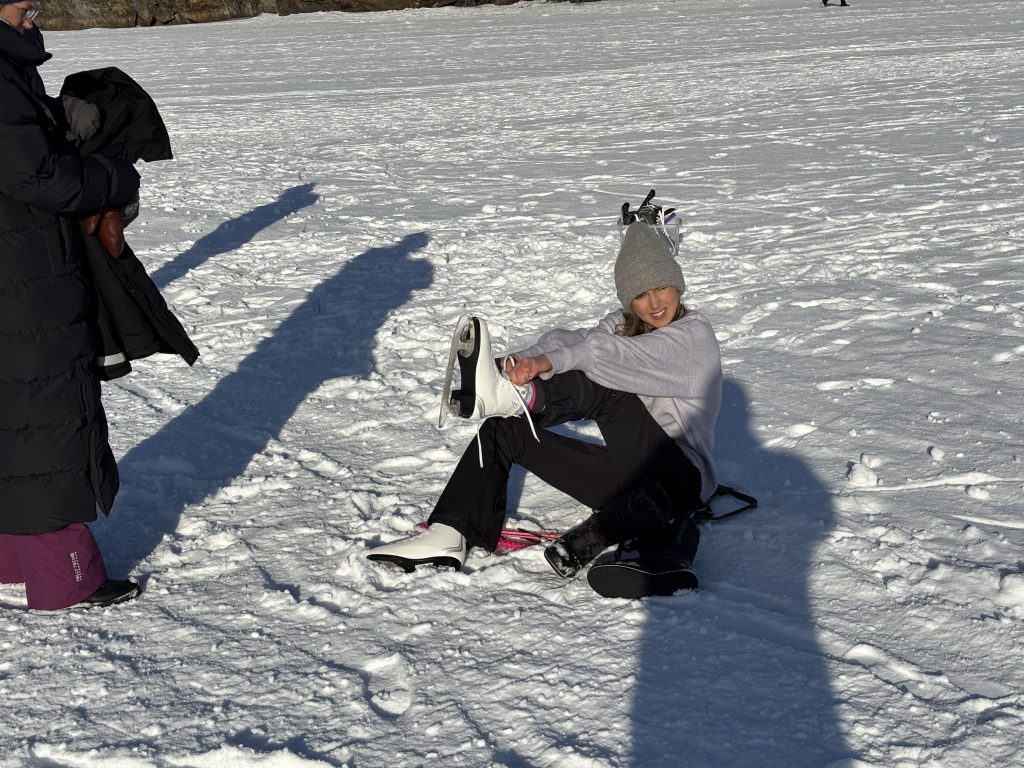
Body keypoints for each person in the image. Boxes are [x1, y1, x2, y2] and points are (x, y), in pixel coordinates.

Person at [368, 221, 723, 587]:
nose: (654, 303)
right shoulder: (623, 325)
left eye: (661, 288)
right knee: (505, 429)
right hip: (628, 479)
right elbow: (574, 340)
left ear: (677, 284)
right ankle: (449, 531)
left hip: (681, 479)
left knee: (610, 387)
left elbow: (606, 355)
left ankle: (521, 398)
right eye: (641, 295)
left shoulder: (694, 337)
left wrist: (544, 369)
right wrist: (521, 362)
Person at [1, 0, 144, 609]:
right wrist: (115, 176)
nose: (32, 18)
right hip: (22, 276)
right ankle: (66, 577)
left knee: (15, 415)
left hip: (19, 265)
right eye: (23, 8)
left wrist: (58, 122)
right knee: (46, 417)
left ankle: (11, 557)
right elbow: (35, 176)